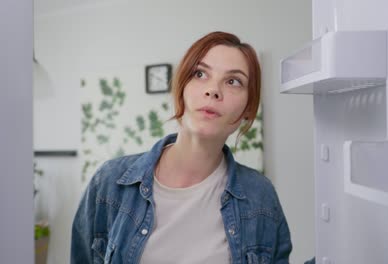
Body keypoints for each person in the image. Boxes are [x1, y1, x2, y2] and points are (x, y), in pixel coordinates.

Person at [71, 31, 292, 264]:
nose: (213, 90)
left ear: (248, 108)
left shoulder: (260, 195)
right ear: (181, 88)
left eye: (233, 81)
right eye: (200, 74)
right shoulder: (109, 182)